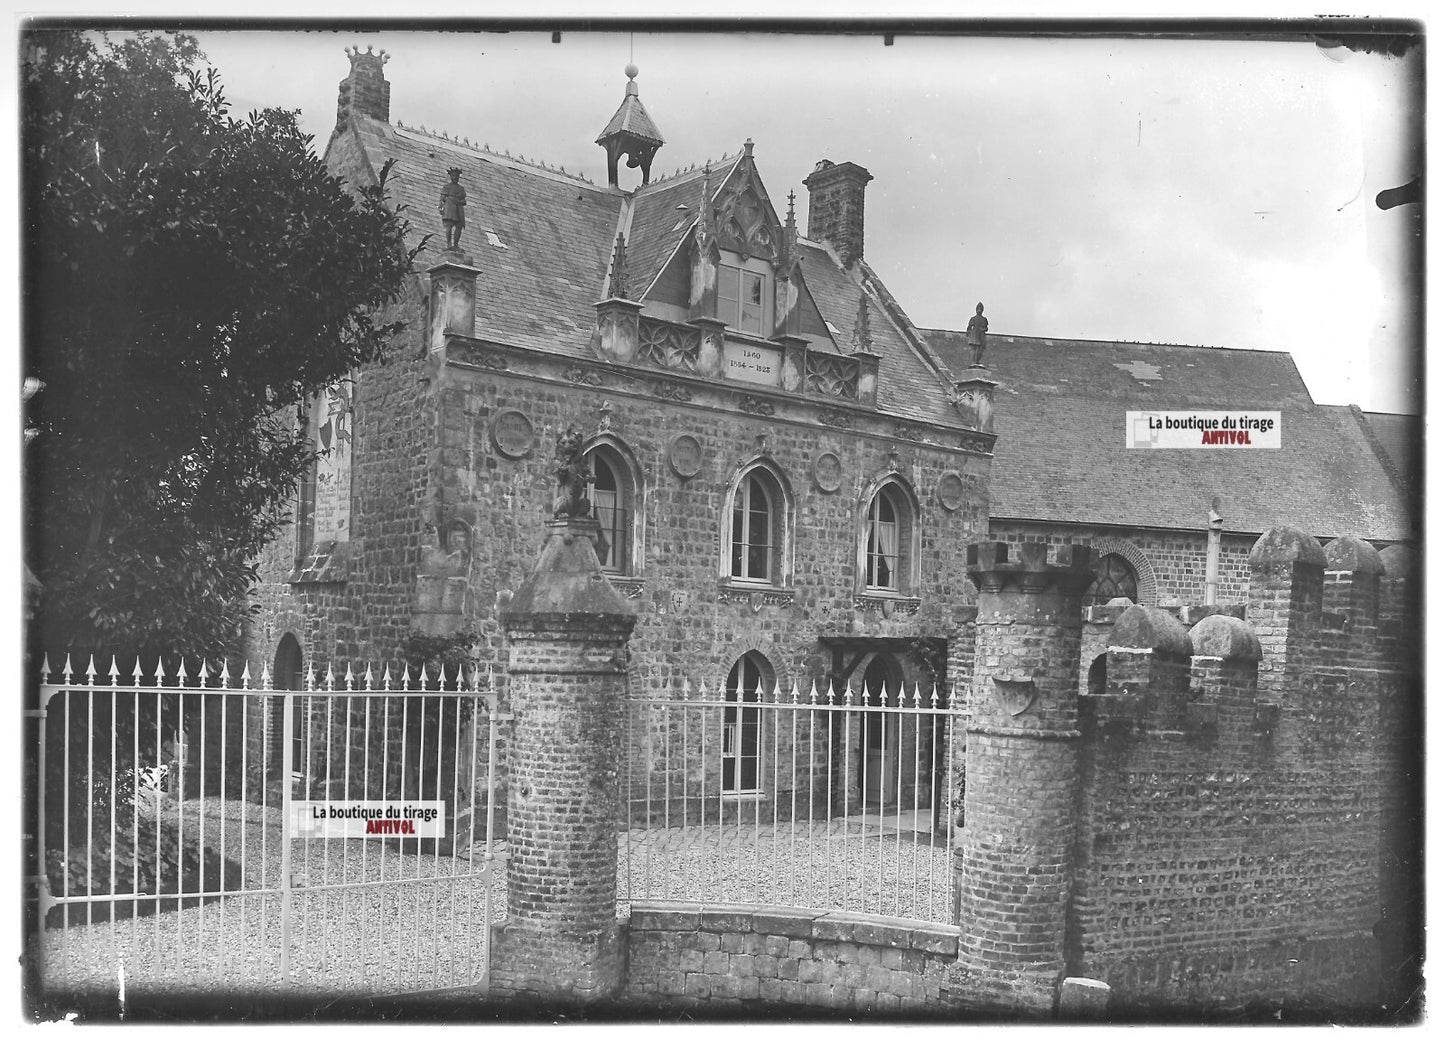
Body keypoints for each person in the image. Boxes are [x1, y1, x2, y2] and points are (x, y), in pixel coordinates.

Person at [439, 168, 466, 250]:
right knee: (449, 225)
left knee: (459, 226)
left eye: (457, 176)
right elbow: (442, 198)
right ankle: (449, 244)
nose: (455, 177)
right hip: (450, 206)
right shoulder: (447, 187)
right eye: (453, 176)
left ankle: (456, 244)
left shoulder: (461, 189)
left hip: (458, 207)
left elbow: (464, 200)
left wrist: (460, 201)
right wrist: (441, 207)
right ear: (451, 177)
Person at [965, 302, 988, 366]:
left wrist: (982, 329)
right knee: (973, 348)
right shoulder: (973, 318)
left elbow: (986, 328)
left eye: (980, 309)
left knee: (980, 349)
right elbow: (969, 327)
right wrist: (968, 332)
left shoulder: (984, 319)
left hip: (981, 335)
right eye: (978, 309)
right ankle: (973, 362)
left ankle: (977, 361)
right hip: (974, 334)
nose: (979, 310)